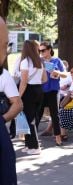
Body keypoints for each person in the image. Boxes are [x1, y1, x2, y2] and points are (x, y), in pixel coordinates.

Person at [0, 16, 23, 185]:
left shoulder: (3, 75)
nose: (4, 53)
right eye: (3, 46)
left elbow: (17, 103)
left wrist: (1, 120)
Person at [19, 40, 47, 155]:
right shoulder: (40, 61)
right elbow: (45, 79)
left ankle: (34, 146)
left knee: (28, 119)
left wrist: (18, 96)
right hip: (39, 90)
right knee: (32, 118)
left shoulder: (25, 62)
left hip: (29, 91)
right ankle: (29, 144)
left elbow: (23, 82)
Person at [38, 41, 64, 146]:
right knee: (38, 114)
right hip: (41, 91)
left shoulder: (57, 60)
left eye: (43, 50)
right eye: (39, 50)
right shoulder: (38, 61)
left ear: (49, 50)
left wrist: (57, 73)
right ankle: (31, 138)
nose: (41, 52)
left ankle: (58, 137)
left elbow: (65, 74)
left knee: (55, 114)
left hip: (53, 90)